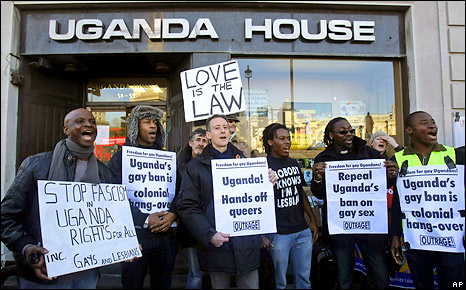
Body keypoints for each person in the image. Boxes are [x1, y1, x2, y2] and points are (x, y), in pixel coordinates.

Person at [1, 108, 112, 288]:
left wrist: (123, 245)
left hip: (87, 274)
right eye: (80, 121)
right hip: (42, 274)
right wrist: (26, 247)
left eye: (92, 121)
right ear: (66, 130)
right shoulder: (36, 165)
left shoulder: (103, 172)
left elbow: (109, 218)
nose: (88, 124)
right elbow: (6, 216)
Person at [176, 114, 277, 289]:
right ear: (208, 135)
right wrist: (209, 235)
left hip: (246, 248)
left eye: (225, 127)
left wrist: (268, 180)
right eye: (217, 128)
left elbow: (255, 199)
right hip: (217, 248)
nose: (223, 130)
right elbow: (187, 206)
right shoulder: (195, 168)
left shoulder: (245, 162)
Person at [310, 117, 398, 289]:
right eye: (343, 132)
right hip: (341, 228)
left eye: (351, 131)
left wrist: (391, 176)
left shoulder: (369, 153)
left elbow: (381, 187)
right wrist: (317, 179)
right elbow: (319, 194)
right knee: (344, 278)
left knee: (380, 277)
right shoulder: (323, 158)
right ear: (331, 135)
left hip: (369, 226)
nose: (349, 134)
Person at [390, 111, 465, 289]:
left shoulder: (455, 156)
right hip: (418, 239)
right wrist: (394, 236)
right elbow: (397, 202)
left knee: (456, 284)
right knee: (422, 284)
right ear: (410, 130)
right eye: (424, 123)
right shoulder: (397, 160)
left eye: (433, 122)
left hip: (451, 238)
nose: (432, 126)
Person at [108, 105, 177, 289]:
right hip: (133, 236)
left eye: (155, 123)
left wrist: (173, 214)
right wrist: (145, 218)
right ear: (135, 127)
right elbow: (114, 196)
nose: (153, 126)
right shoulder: (119, 158)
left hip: (165, 235)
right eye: (147, 122)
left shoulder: (166, 157)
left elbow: (180, 191)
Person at [261, 123, 319, 289]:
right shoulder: (263, 166)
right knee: (280, 282)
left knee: (304, 280)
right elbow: (258, 202)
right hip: (278, 234)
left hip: (302, 230)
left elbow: (300, 192)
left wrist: (312, 220)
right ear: (270, 142)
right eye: (282, 139)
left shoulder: (294, 164)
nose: (287, 142)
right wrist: (261, 234)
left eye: (289, 138)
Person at [174, 128, 208, 289]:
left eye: (204, 141)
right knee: (195, 271)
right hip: (188, 228)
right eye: (198, 140)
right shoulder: (178, 165)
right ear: (190, 143)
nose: (201, 144)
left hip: (209, 226)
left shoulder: (212, 164)